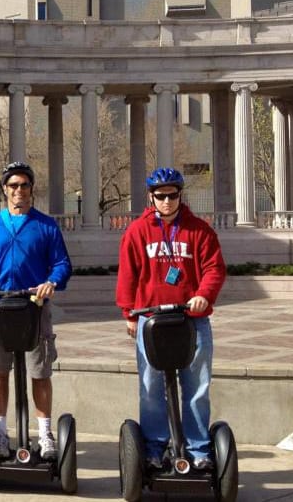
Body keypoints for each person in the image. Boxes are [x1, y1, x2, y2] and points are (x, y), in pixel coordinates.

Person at [115, 167, 226, 471]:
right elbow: (128, 274)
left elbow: (215, 268)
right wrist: (129, 314)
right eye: (160, 196)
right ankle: (153, 448)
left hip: (191, 320)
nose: (166, 201)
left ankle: (199, 449)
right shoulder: (137, 231)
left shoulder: (199, 230)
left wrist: (204, 293)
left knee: (197, 386)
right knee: (151, 388)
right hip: (151, 321)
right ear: (151, 197)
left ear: (180, 195)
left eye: (172, 195)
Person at [0, 161, 72, 460]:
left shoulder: (45, 225)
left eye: (24, 185)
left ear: (31, 189)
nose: (19, 191)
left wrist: (52, 281)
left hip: (34, 305)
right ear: (4, 190)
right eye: (13, 186)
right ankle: (0, 434)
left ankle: (45, 434)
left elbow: (62, 263)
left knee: (39, 371)